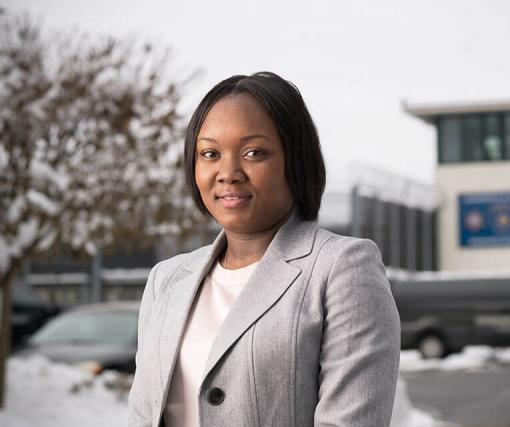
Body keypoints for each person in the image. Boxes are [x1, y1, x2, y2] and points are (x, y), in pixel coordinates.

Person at [128, 71, 401, 427]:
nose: (228, 172)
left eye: (253, 152)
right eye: (210, 153)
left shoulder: (342, 268)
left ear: (295, 160)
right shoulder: (165, 280)